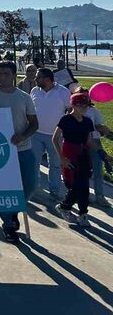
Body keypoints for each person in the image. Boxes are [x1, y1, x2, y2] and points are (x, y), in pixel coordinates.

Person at [0, 61, 39, 243]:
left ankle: (13, 211)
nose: (1, 76)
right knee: (3, 189)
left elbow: (34, 124)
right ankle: (9, 224)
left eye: (5, 73)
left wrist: (23, 135)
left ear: (13, 75)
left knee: (30, 184)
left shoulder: (24, 98)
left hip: (22, 149)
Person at [53, 92, 95, 227]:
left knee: (84, 186)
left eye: (87, 106)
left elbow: (89, 141)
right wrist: (61, 157)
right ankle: (64, 206)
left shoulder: (88, 121)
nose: (85, 108)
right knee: (75, 184)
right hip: (69, 153)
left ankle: (83, 214)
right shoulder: (65, 120)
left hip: (83, 155)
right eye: (82, 106)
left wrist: (102, 153)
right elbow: (55, 139)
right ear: (74, 105)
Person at [30, 68, 71, 200]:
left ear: (47, 79)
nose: (35, 79)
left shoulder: (63, 92)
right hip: (35, 133)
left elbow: (70, 110)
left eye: (38, 77)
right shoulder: (34, 91)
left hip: (55, 136)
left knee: (54, 164)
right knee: (34, 162)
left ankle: (54, 189)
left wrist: (63, 127)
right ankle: (32, 188)